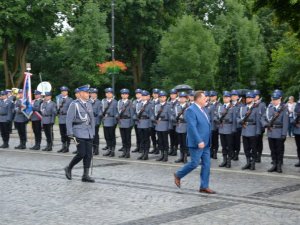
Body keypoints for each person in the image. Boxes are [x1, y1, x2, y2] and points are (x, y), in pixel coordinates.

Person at [174, 91, 215, 194]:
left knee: (207, 164)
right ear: (198, 99)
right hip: (197, 142)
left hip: (206, 142)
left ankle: (204, 186)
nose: (207, 98)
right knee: (194, 163)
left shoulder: (203, 109)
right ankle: (178, 174)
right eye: (205, 97)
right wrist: (199, 140)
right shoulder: (191, 110)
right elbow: (192, 127)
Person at [64, 85, 95, 183]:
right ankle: (69, 167)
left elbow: (92, 119)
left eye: (88, 92)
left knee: (89, 154)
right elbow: (68, 120)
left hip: (88, 132)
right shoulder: (74, 104)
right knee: (81, 153)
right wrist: (70, 134)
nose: (88, 94)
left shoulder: (89, 104)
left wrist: (93, 132)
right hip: (78, 132)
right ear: (81, 93)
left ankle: (85, 175)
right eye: (86, 92)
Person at [261, 91, 289, 173]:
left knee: (279, 150)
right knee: (272, 150)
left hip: (279, 132)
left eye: (276, 99)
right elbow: (262, 118)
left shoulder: (284, 109)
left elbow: (285, 122)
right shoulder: (269, 108)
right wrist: (265, 124)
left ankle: (279, 165)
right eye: (273, 99)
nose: (274, 101)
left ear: (280, 99)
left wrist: (284, 134)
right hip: (270, 132)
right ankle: (274, 164)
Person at [237, 91, 261, 170]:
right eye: (247, 98)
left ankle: (253, 163)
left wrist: (258, 132)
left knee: (253, 148)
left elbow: (258, 121)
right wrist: (240, 121)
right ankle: (248, 162)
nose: (248, 99)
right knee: (246, 148)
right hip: (244, 130)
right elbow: (237, 117)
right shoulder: (242, 108)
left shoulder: (256, 109)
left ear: (253, 99)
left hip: (253, 131)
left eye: (250, 98)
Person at [215, 91, 236, 168]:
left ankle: (229, 161)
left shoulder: (232, 108)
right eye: (224, 97)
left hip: (229, 128)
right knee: (223, 146)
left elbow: (234, 119)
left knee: (229, 145)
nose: (225, 99)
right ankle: (224, 160)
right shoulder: (220, 107)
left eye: (227, 97)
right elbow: (216, 115)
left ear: (230, 98)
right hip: (221, 128)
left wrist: (233, 129)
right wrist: (217, 121)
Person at [134, 90, 153, 160]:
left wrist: (150, 126)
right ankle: (142, 153)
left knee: (146, 139)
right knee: (141, 139)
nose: (143, 97)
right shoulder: (138, 104)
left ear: (147, 96)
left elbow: (151, 116)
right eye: (142, 96)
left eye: (145, 96)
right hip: (140, 123)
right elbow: (136, 114)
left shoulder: (150, 105)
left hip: (146, 123)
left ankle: (146, 154)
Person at [154, 90, 172, 162]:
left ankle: (166, 155)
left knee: (165, 141)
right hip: (158, 125)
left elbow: (170, 117)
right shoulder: (156, 106)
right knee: (160, 141)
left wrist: (169, 127)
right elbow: (154, 115)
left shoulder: (168, 106)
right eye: (160, 97)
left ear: (166, 97)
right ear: (159, 98)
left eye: (163, 97)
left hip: (165, 125)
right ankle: (161, 154)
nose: (162, 98)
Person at [117, 89, 134, 158]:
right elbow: (117, 112)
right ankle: (124, 151)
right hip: (121, 122)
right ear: (121, 95)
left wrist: (131, 124)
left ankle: (128, 152)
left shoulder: (130, 103)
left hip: (127, 122)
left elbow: (132, 114)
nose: (124, 95)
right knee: (123, 138)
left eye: (125, 94)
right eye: (123, 94)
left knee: (128, 138)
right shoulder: (119, 102)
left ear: (128, 95)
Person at [173, 92, 189, 163]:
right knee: (180, 143)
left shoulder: (189, 107)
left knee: (185, 143)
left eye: (183, 98)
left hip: (185, 127)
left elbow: (191, 117)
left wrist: (184, 119)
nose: (182, 99)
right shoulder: (176, 106)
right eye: (180, 97)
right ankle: (181, 156)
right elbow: (172, 115)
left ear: (186, 99)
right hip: (178, 127)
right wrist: (174, 119)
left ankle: (185, 157)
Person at [102, 88, 118, 157]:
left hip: (111, 121)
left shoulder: (115, 102)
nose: (108, 94)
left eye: (110, 93)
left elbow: (117, 113)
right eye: (107, 93)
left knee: (112, 136)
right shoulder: (103, 101)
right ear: (105, 94)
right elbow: (101, 111)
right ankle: (108, 149)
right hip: (105, 121)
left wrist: (115, 122)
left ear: (112, 94)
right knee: (106, 136)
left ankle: (112, 151)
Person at [57, 86, 73, 153]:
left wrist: (66, 112)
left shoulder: (70, 100)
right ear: (61, 92)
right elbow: (57, 108)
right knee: (62, 133)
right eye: (62, 91)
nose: (63, 92)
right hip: (61, 119)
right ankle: (63, 146)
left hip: (67, 119)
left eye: (65, 91)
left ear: (67, 92)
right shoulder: (59, 99)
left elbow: (71, 109)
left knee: (67, 134)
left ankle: (67, 147)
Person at [253, 90, 266, 163]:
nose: (254, 97)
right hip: (253, 127)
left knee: (259, 142)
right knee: (253, 142)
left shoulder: (262, 104)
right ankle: (254, 155)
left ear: (258, 96)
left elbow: (264, 116)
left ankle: (259, 155)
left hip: (260, 126)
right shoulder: (252, 104)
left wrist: (262, 127)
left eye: (255, 96)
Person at [89, 88, 102, 155]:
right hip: (88, 121)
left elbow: (100, 111)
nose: (93, 95)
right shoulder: (87, 101)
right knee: (90, 136)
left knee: (95, 135)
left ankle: (96, 149)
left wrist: (97, 115)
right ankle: (91, 148)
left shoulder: (99, 102)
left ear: (96, 94)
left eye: (94, 93)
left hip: (96, 121)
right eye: (92, 93)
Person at [231, 90, 242, 161]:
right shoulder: (229, 104)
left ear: (238, 97)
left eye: (235, 95)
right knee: (231, 141)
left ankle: (236, 154)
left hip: (238, 126)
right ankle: (232, 153)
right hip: (230, 126)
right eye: (232, 95)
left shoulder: (241, 105)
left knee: (237, 141)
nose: (233, 97)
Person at [209, 90, 220, 159]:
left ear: (216, 97)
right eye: (210, 96)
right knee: (209, 140)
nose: (211, 97)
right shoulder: (207, 104)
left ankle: (215, 152)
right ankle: (210, 152)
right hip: (209, 126)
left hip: (215, 126)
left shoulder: (219, 105)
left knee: (215, 140)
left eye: (212, 96)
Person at [168, 89, 178, 156]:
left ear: (176, 95)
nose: (172, 95)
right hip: (170, 122)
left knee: (176, 137)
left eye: (173, 94)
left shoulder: (178, 102)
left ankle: (175, 149)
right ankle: (171, 148)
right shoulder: (168, 102)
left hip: (176, 123)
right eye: (171, 94)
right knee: (171, 136)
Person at [132, 89, 143, 153]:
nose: (137, 95)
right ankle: (138, 146)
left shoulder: (143, 101)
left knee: (141, 135)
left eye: (139, 94)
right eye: (136, 94)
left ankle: (142, 147)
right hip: (136, 121)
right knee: (137, 134)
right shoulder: (134, 102)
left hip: (141, 121)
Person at [150, 88, 160, 154]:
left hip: (158, 122)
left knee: (159, 136)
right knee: (152, 135)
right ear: (152, 94)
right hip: (151, 122)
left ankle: (158, 148)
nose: (155, 95)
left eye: (156, 94)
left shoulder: (160, 102)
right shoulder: (150, 102)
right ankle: (154, 147)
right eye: (154, 93)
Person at [292, 100, 300, 167]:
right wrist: (295, 123)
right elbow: (293, 115)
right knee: (299, 147)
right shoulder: (297, 104)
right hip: (297, 130)